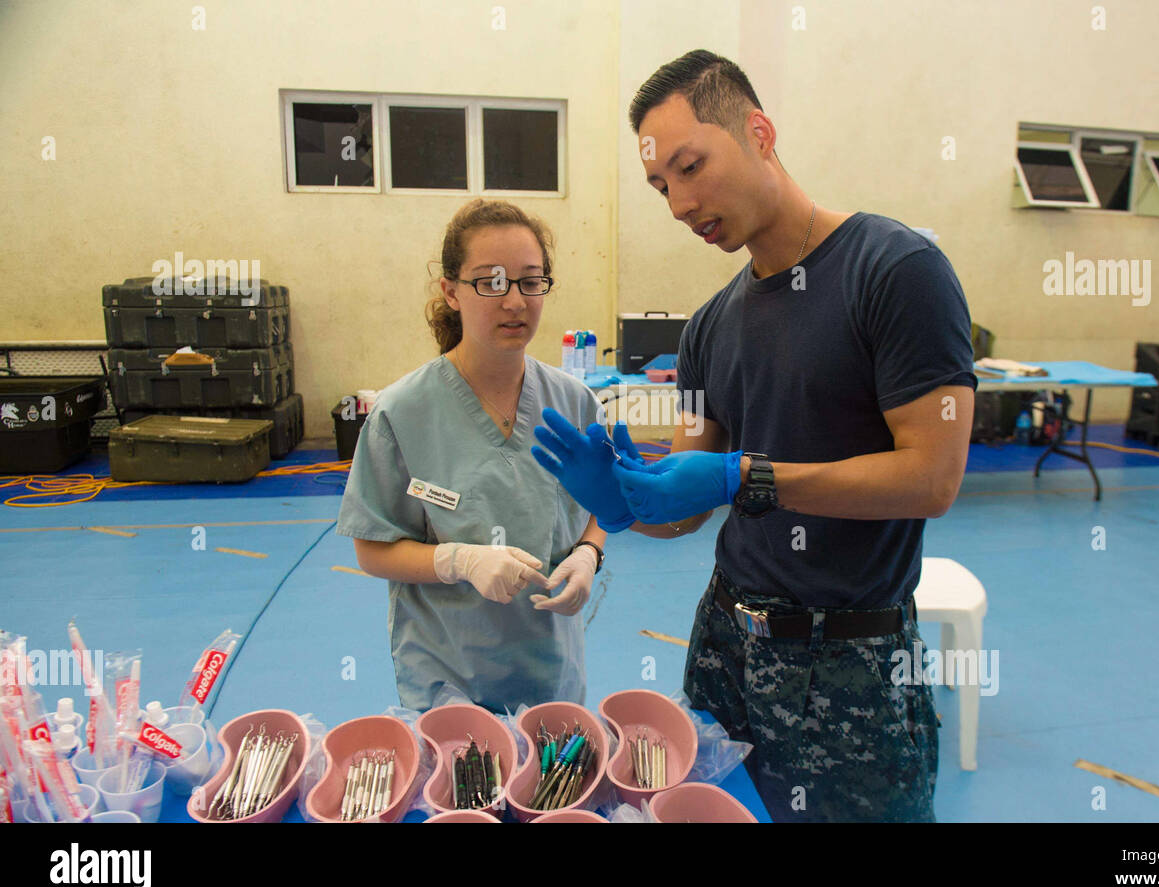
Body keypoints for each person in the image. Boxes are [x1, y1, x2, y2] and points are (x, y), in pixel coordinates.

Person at [532, 50, 975, 822]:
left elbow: (932, 477)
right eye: (660, 185)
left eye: (690, 165)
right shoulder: (710, 325)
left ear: (760, 132)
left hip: (849, 661)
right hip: (725, 643)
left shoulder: (895, 270)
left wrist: (750, 476)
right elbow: (689, 498)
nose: (677, 203)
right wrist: (630, 503)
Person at [337, 199, 608, 715]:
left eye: (531, 281)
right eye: (491, 281)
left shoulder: (575, 403)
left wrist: (588, 554)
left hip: (551, 671)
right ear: (451, 291)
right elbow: (373, 549)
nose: (514, 301)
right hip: (447, 678)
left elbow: (603, 503)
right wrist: (459, 560)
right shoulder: (402, 413)